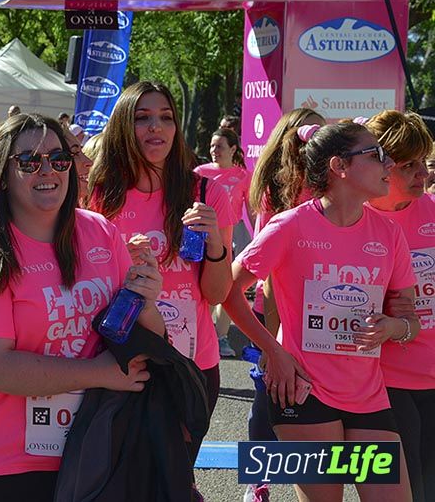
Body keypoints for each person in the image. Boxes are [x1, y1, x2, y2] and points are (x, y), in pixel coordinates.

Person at [0, 114, 164, 500]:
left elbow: (149, 341)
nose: (47, 170)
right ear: (3, 173)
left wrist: (146, 302)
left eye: (59, 159)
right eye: (29, 161)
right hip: (0, 464)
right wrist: (97, 373)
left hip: (93, 450)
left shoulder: (101, 232)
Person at [223, 121, 417, 502]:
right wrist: (273, 351)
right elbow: (228, 291)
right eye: (376, 155)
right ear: (339, 166)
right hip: (304, 394)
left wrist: (393, 326)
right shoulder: (290, 225)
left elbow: (408, 317)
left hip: (368, 397)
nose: (389, 164)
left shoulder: (388, 233)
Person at [85, 81, 233, 465]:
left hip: (192, 363)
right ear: (122, 126)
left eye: (166, 118)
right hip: (124, 362)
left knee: (176, 478)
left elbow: (217, 295)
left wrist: (215, 243)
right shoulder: (98, 193)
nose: (157, 127)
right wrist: (120, 260)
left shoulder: (205, 193)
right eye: (143, 118)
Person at [240, 106, 324, 502]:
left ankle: (310, 481)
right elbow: (264, 271)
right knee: (267, 397)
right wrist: (273, 337)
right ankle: (257, 483)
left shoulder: (330, 185)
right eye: (309, 135)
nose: (315, 143)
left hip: (320, 312)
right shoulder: (275, 192)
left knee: (309, 403)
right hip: (275, 308)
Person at [364, 111, 435, 501]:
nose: (422, 174)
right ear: (381, 165)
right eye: (409, 166)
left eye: (424, 162)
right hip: (382, 381)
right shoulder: (352, 216)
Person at [195, 127, 250, 358]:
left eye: (219, 146)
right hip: (206, 232)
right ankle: (204, 332)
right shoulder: (200, 172)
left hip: (233, 232)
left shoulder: (243, 175)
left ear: (233, 149)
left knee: (228, 285)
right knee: (206, 284)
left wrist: (253, 235)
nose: (214, 151)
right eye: (211, 146)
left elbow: (252, 208)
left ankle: (221, 336)